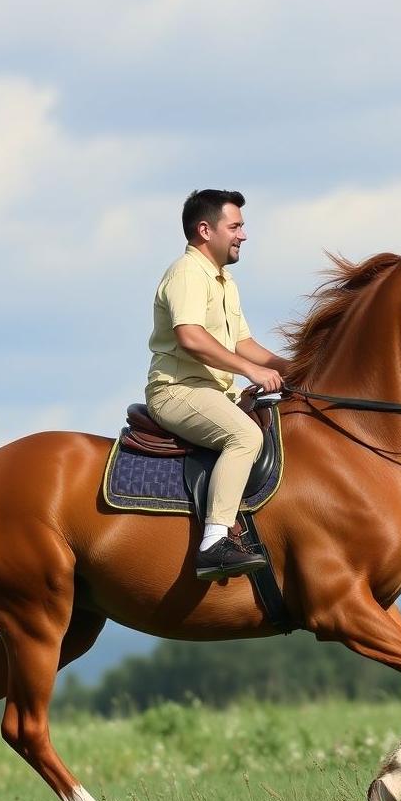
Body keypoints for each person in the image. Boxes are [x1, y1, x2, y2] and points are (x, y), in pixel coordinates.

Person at [145, 189, 291, 581]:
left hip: (211, 393)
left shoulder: (225, 281)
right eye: (236, 226)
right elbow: (190, 336)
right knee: (245, 437)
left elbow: (242, 343)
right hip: (177, 391)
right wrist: (250, 371)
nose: (244, 234)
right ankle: (214, 542)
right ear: (206, 230)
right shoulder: (187, 273)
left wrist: (288, 367)